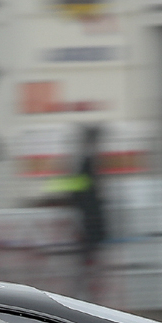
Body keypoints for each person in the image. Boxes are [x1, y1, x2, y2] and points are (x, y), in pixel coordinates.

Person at [69, 125, 107, 299]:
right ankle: (85, 297)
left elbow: (80, 193)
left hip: (90, 221)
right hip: (90, 222)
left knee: (90, 264)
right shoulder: (87, 163)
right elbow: (82, 194)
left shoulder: (87, 162)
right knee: (89, 264)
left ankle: (86, 295)